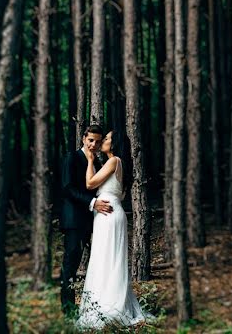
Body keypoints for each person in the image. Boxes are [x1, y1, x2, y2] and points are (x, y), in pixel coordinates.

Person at [75, 129, 152, 330]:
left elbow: (90, 183)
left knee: (106, 258)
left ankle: (110, 306)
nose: (103, 142)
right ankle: (108, 301)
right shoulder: (119, 163)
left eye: (107, 139)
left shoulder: (113, 161)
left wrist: (90, 160)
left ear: (115, 143)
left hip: (108, 215)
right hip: (111, 212)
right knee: (109, 258)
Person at [59, 124, 114, 317]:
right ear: (83, 138)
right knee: (71, 262)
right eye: (91, 140)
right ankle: (68, 310)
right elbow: (67, 188)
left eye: (98, 142)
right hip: (73, 219)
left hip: (93, 220)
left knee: (97, 261)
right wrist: (93, 202)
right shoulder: (71, 158)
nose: (94, 144)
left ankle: (95, 305)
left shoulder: (98, 163)